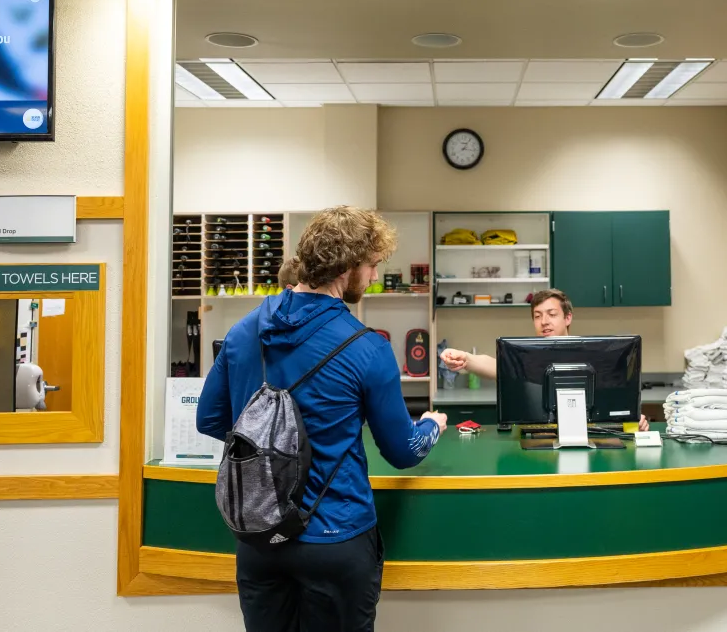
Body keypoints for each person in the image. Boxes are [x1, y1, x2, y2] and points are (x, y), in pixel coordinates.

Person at [197, 206, 447, 632]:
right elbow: (403, 453)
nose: (371, 277)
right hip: (337, 536)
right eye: (370, 266)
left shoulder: (243, 331)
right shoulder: (367, 348)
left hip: (259, 538)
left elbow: (209, 419)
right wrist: (431, 427)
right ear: (347, 267)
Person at [440, 288, 649, 431]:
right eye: (537, 315)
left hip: (586, 438)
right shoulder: (526, 355)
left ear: (568, 318)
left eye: (551, 314)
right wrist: (466, 358)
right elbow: (495, 366)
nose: (544, 321)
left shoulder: (593, 354)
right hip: (534, 439)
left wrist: (631, 418)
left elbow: (613, 398)